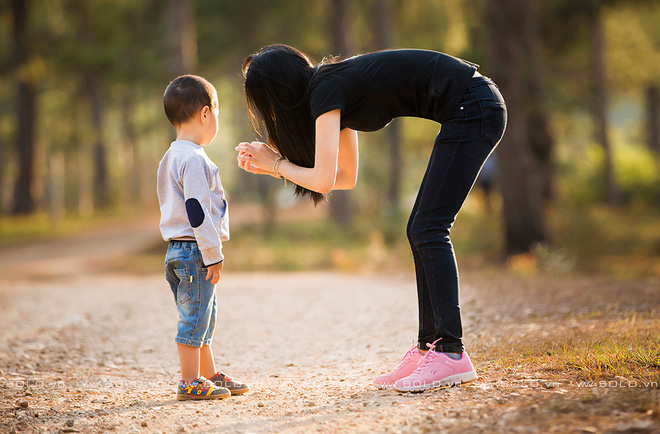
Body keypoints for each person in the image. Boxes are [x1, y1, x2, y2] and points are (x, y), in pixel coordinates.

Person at [236, 45, 507, 393]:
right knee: (420, 229)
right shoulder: (329, 91)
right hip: (470, 105)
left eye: (266, 105)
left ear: (279, 93)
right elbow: (344, 177)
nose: (269, 116)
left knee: (429, 228)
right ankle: (429, 348)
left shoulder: (324, 90)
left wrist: (275, 164)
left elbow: (322, 179)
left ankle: (451, 352)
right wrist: (273, 168)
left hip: (474, 106)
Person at [158, 74, 249, 400]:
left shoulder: (171, 156)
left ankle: (208, 374)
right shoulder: (194, 159)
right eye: (218, 115)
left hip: (176, 250)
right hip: (195, 250)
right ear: (206, 113)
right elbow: (196, 211)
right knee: (195, 318)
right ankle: (189, 381)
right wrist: (213, 253)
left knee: (202, 314)